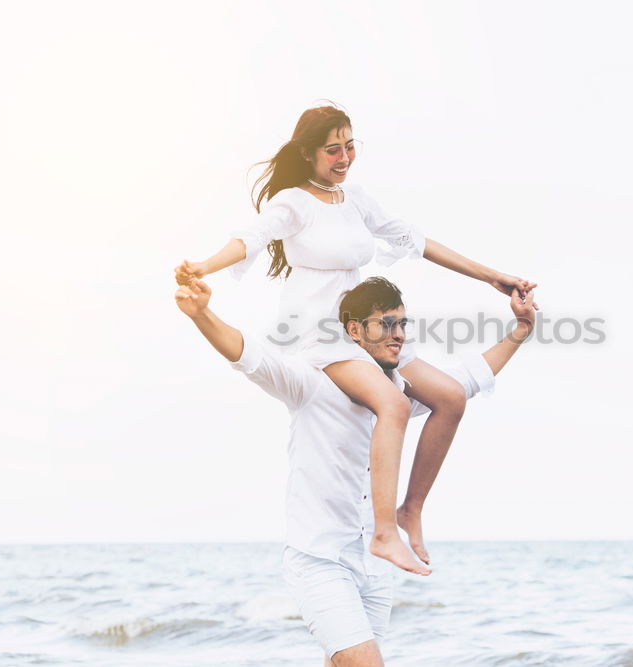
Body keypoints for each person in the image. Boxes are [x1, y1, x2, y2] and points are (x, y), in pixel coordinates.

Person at [174, 103, 538, 575]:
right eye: (332, 149)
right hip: (321, 334)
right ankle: (384, 533)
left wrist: (493, 277)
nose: (344, 157)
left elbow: (417, 242)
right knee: (394, 404)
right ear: (307, 154)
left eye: (350, 146)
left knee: (449, 398)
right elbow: (250, 238)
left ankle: (411, 510)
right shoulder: (293, 203)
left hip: (367, 328)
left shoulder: (356, 200)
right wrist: (204, 266)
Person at [175, 275, 536, 666]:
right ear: (354, 331)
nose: (398, 334)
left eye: (402, 324)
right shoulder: (310, 385)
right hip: (320, 562)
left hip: (374, 570)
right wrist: (202, 314)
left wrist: (520, 330)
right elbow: (251, 356)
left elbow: (463, 384)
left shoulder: (397, 395)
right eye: (386, 323)